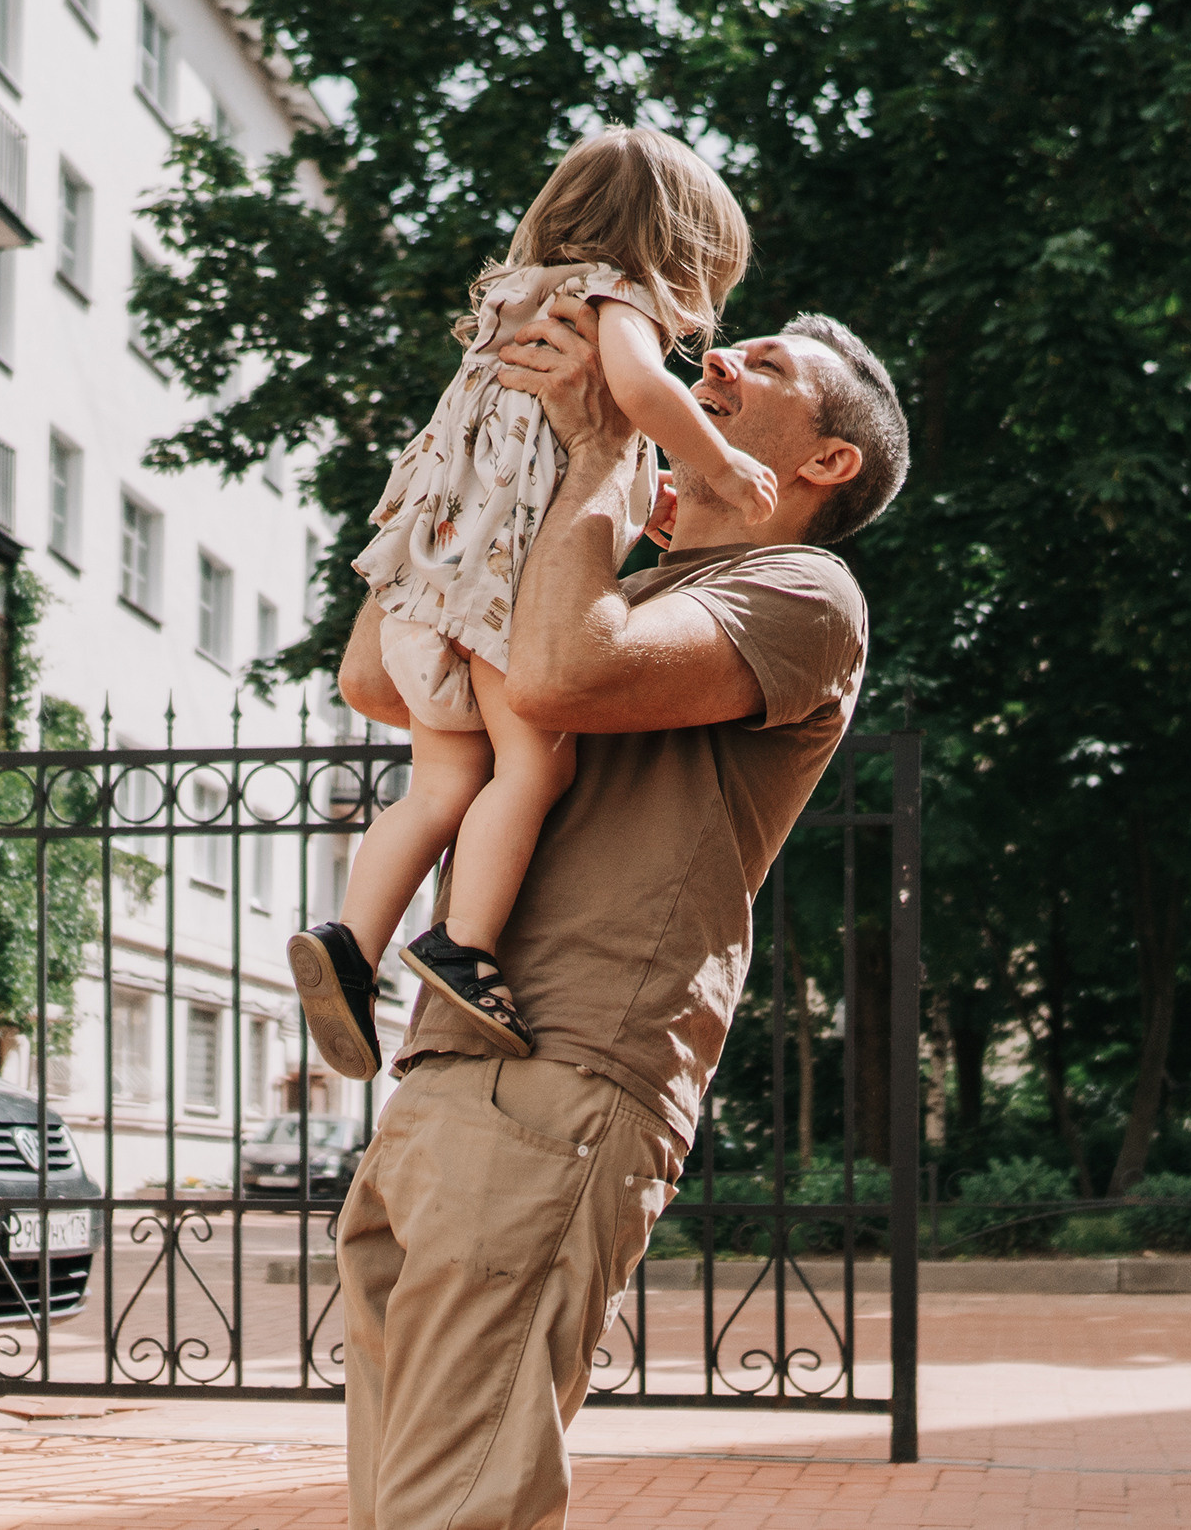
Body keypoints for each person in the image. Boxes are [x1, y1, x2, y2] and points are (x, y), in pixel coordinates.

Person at [328, 292, 908, 1530]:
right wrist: (479, 455)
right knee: (399, 1498)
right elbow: (374, 676)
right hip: (447, 1064)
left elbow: (563, 673)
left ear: (825, 459)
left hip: (567, 1062)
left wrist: (599, 447)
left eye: (759, 364)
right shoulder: (608, 568)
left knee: (452, 1500)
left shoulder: (803, 590)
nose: (714, 359)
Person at [287, 128, 777, 1072]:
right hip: (496, 598)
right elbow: (635, 388)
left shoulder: (505, 306)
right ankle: (461, 947)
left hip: (420, 587)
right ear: (672, 251)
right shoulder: (610, 296)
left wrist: (641, 491)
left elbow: (519, 455)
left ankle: (349, 946)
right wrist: (714, 459)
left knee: (439, 787)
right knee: (534, 771)